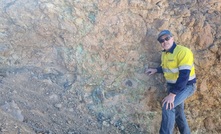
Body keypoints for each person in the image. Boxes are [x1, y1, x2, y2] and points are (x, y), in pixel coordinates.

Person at [145, 30, 196, 134]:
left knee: (167, 107)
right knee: (178, 113)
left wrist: (172, 95)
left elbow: (184, 76)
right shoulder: (165, 54)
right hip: (174, 87)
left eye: (167, 38)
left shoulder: (183, 52)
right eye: (161, 40)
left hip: (186, 86)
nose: (164, 41)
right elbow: (166, 67)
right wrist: (156, 70)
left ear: (172, 38)